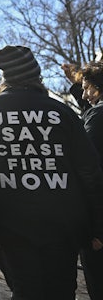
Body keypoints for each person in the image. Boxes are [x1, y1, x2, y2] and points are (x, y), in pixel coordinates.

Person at [0, 45, 103, 300]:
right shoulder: (61, 112)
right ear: (37, 77)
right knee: (62, 291)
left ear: (6, 79)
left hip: (9, 225)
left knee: (25, 290)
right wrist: (97, 226)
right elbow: (89, 172)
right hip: (63, 224)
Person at [77, 60, 103, 299]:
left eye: (87, 88)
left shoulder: (97, 116)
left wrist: (96, 229)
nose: (85, 95)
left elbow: (88, 168)